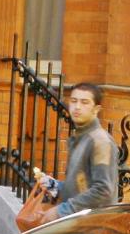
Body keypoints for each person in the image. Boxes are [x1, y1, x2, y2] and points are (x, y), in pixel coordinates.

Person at [39, 82, 119, 222]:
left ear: (96, 109)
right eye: (73, 101)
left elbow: (103, 190)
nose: (77, 107)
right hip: (77, 223)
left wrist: (62, 210)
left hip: (93, 228)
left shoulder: (100, 141)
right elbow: (80, 188)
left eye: (84, 102)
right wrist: (55, 186)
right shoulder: (80, 138)